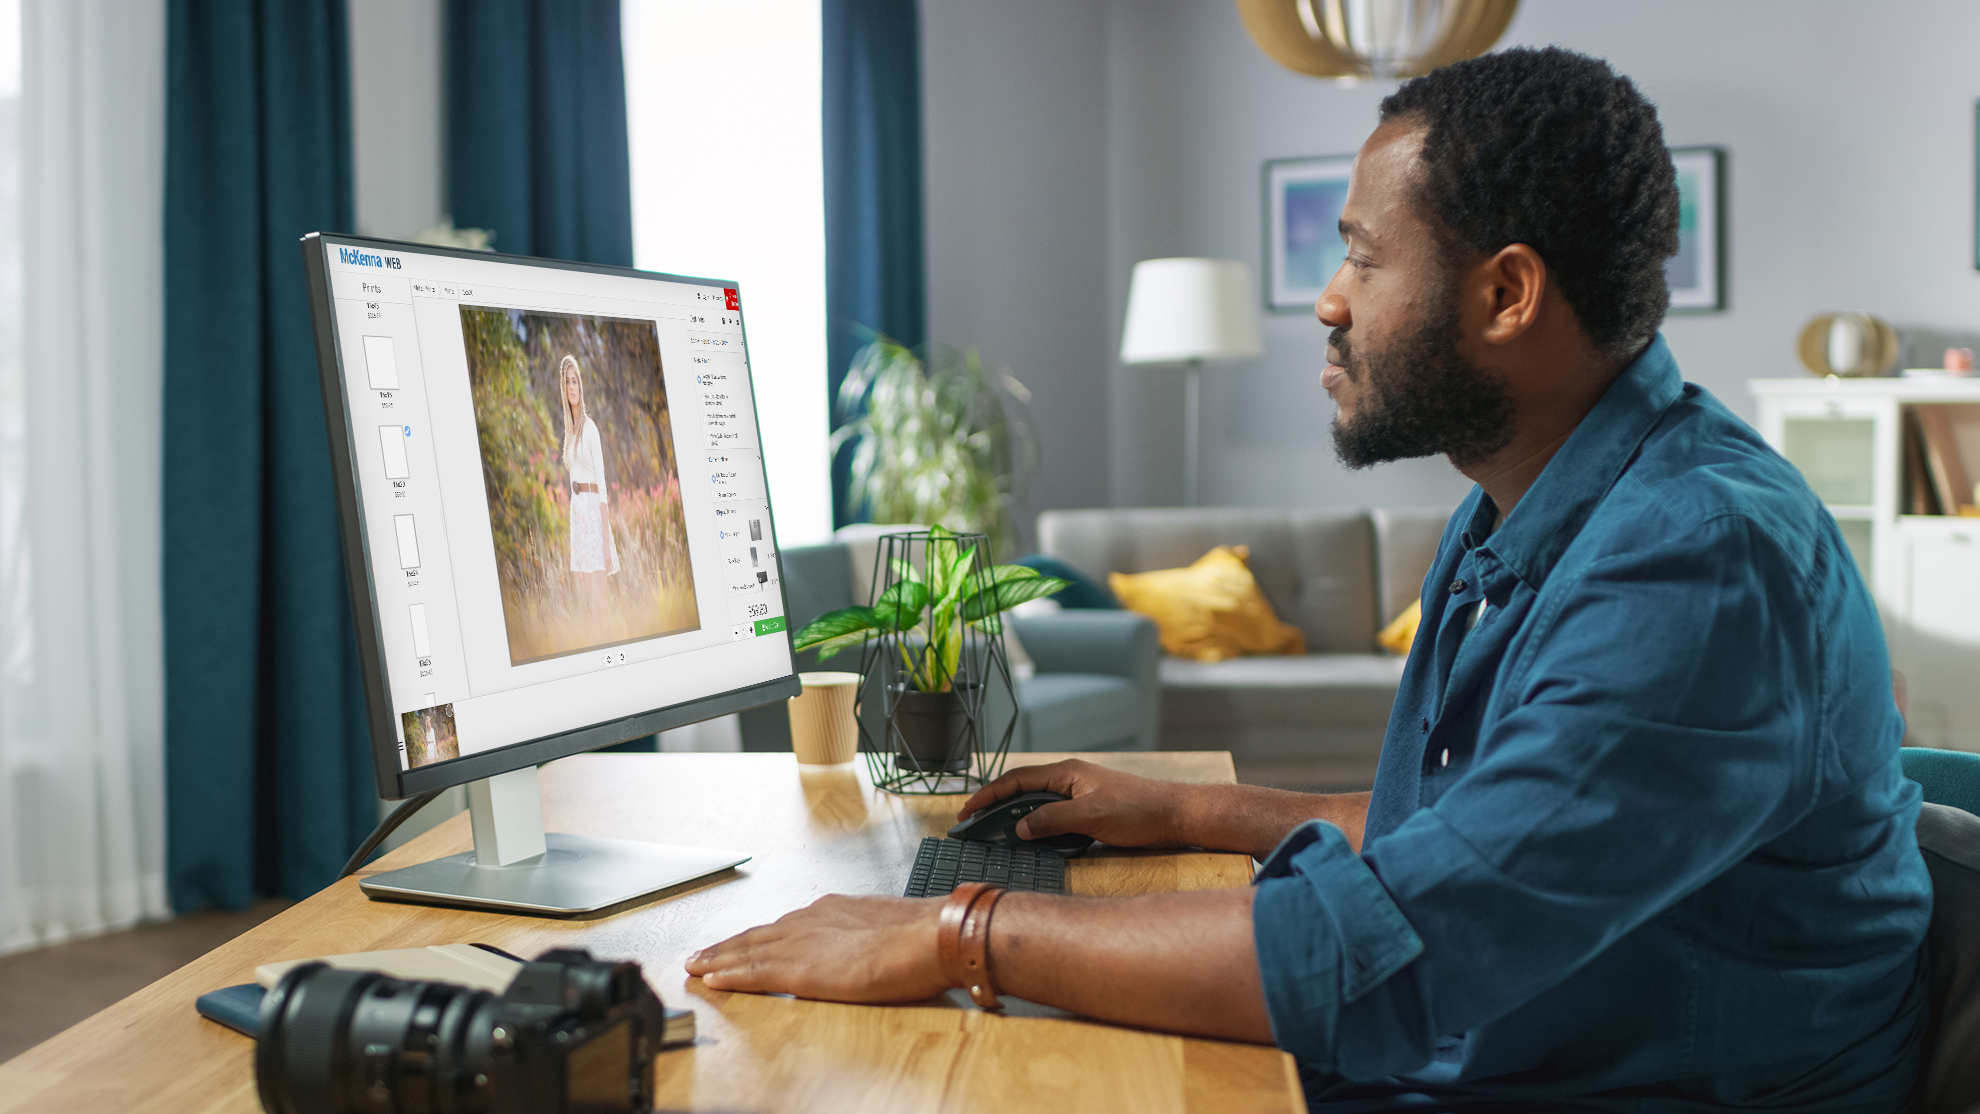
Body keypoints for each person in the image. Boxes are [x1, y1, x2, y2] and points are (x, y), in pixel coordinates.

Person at [687, 47, 1931, 1111]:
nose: (1327, 302)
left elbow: (1391, 951)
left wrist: (950, 932)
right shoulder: (1532, 502)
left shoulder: (1698, 559)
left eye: (1363, 258)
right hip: (1532, 1044)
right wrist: (1182, 813)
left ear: (1507, 292)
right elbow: (1466, 843)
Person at [559, 354, 620, 617]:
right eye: (567, 382)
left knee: (600, 602)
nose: (572, 387)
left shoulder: (591, 429)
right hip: (580, 522)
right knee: (590, 607)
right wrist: (576, 546)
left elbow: (603, 489)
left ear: (580, 386)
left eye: (575, 381)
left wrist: (606, 543)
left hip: (596, 519)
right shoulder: (568, 433)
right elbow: (574, 494)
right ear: (563, 388)